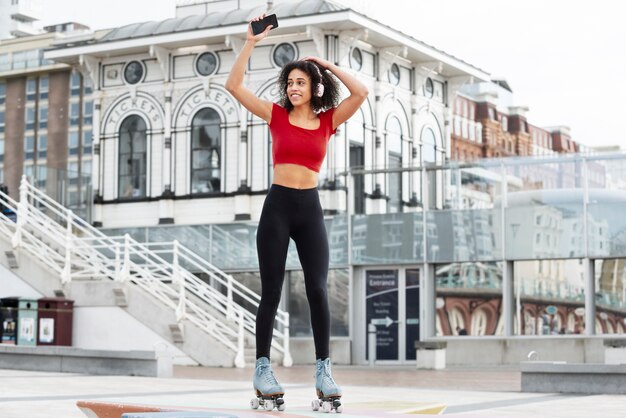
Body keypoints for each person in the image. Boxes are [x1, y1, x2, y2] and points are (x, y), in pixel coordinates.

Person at [225, 14, 368, 409]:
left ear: (314, 87)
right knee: (271, 291)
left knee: (318, 289)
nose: (293, 87)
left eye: (300, 82)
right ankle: (262, 368)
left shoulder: (327, 122)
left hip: (310, 210)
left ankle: (324, 370)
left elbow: (361, 93)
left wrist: (324, 65)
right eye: (289, 82)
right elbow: (233, 86)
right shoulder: (275, 115)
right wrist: (251, 42)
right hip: (278, 206)